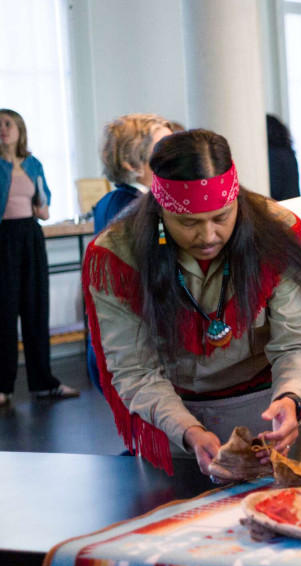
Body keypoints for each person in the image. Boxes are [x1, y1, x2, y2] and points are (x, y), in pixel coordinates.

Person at [83, 129, 301, 477]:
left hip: (266, 416)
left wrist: (290, 399)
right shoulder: (117, 255)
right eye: (189, 223)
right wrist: (189, 431)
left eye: (221, 217)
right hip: (171, 423)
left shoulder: (277, 232)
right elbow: (134, 370)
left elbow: (298, 341)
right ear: (161, 211)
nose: (209, 236)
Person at [89, 113, 178, 392]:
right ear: (133, 162)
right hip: (130, 342)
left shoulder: (112, 200)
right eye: (163, 148)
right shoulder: (134, 207)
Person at [0, 108, 80, 408]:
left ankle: (43, 383)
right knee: (5, 313)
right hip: (3, 237)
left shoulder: (33, 164)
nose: (3, 129)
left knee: (35, 309)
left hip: (30, 236)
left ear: (20, 129)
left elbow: (43, 208)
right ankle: (3, 387)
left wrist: (42, 204)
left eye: (8, 124)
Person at [93, 114, 176, 233]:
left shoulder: (105, 201)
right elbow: (160, 246)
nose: (174, 158)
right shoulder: (143, 208)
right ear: (132, 164)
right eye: (164, 151)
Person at [266, 114, 301, 201]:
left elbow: (275, 188)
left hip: (281, 206)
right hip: (294, 203)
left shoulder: (273, 155)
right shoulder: (289, 153)